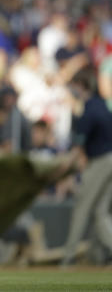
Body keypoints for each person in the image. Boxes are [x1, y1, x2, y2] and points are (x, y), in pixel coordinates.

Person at [61, 67, 112, 265]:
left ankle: (69, 255)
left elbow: (77, 149)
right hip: (108, 160)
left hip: (101, 160)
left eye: (73, 86)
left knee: (82, 207)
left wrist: (63, 168)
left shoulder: (89, 110)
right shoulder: (104, 106)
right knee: (100, 212)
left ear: (80, 86)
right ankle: (97, 254)